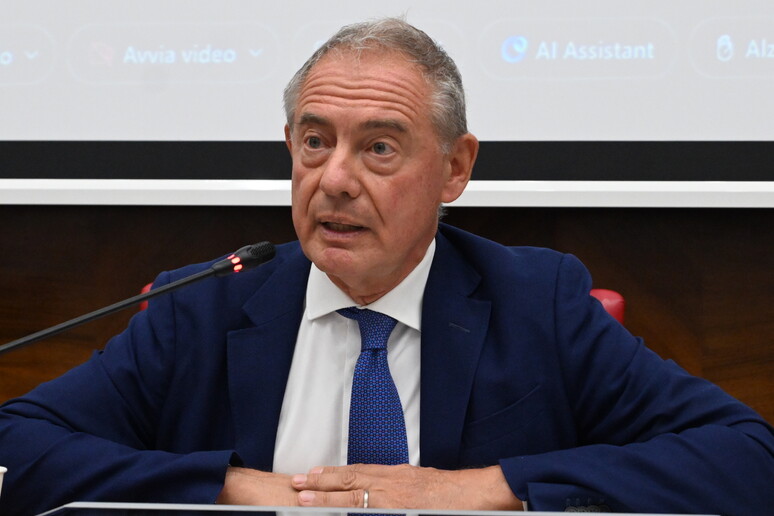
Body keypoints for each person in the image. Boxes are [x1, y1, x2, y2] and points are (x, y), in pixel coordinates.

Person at [1, 17, 773, 516]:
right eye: (314, 142)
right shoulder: (198, 309)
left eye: (378, 147)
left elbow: (748, 459)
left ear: (455, 168)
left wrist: (487, 489)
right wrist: (230, 487)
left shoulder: (538, 304)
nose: (334, 179)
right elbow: (15, 443)